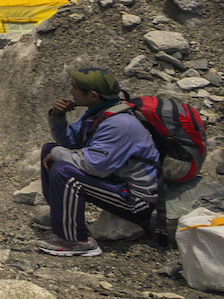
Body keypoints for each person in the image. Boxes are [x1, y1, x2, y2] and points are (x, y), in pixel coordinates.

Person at [37, 68, 160, 257]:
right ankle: (59, 217)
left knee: (64, 172)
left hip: (135, 199)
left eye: (75, 88)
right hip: (118, 184)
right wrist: (57, 116)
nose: (71, 92)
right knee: (49, 149)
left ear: (93, 95)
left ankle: (76, 240)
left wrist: (57, 153)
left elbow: (94, 166)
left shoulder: (118, 124)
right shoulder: (98, 113)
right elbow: (69, 142)